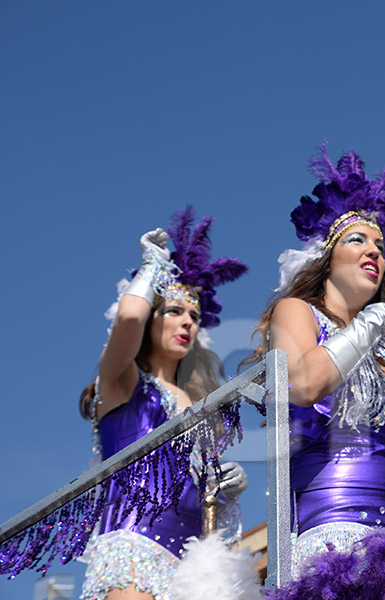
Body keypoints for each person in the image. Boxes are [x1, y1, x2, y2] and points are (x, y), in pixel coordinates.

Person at [248, 144, 385, 573]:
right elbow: (305, 384)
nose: (374, 252)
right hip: (332, 519)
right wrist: (368, 327)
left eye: (380, 246)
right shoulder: (296, 310)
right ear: (326, 260)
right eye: (357, 239)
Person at [79, 207, 249, 600]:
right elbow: (128, 319)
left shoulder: (200, 403)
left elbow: (196, 489)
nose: (188, 322)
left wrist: (225, 489)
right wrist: (152, 268)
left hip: (194, 567)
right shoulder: (123, 383)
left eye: (194, 315)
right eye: (174, 311)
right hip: (134, 547)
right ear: (152, 320)